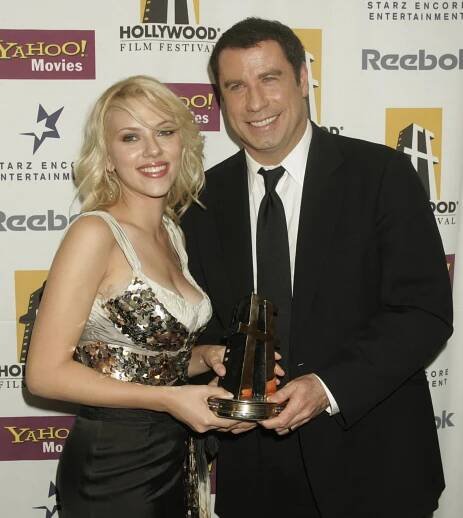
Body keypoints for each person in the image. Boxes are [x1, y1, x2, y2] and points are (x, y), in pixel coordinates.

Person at [181, 18, 453, 518]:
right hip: (254, 475)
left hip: (375, 464)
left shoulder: (382, 175)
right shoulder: (200, 202)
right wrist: (220, 393)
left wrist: (327, 388)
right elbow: (202, 331)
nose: (255, 102)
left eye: (269, 79)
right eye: (236, 86)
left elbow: (423, 312)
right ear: (220, 100)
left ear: (304, 79)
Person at [25, 75, 242, 518]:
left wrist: (205, 356)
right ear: (107, 157)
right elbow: (44, 375)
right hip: (113, 466)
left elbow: (144, 358)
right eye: (130, 137)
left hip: (174, 455)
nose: (153, 150)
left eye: (165, 131)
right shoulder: (94, 233)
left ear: (183, 143)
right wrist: (169, 399)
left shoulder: (172, 234)